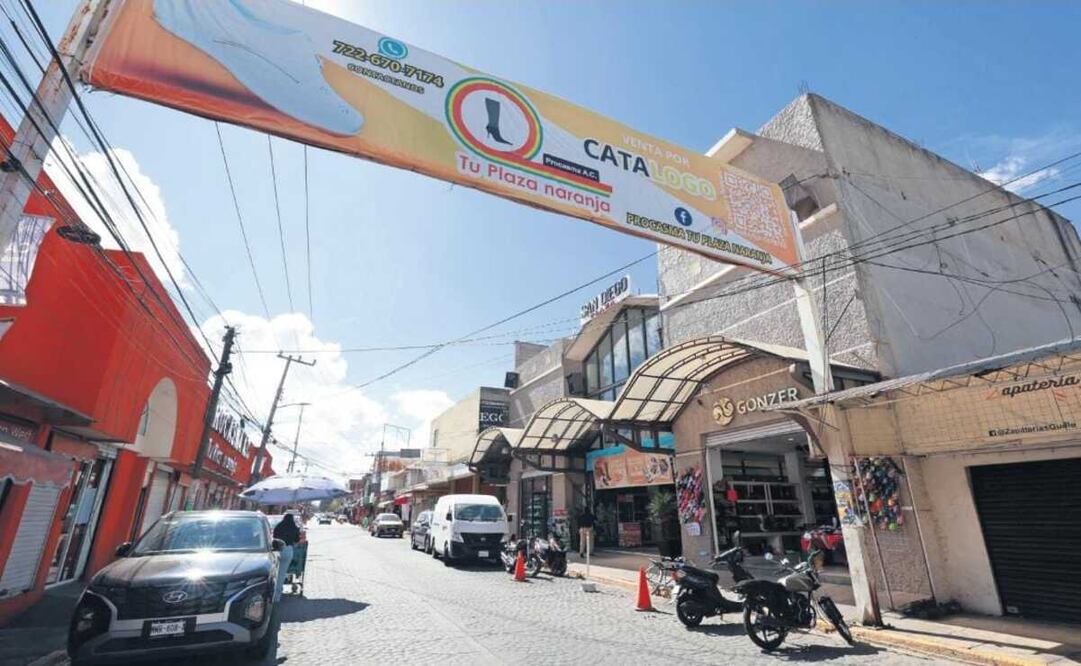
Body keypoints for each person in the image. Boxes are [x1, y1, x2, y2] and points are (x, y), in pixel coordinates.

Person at [272, 513, 301, 602]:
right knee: (281, 574)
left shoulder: (279, 526)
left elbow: (274, 537)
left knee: (274, 573)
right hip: (288, 550)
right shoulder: (294, 527)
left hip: (277, 550)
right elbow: (297, 539)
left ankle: (271, 594)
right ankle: (277, 597)